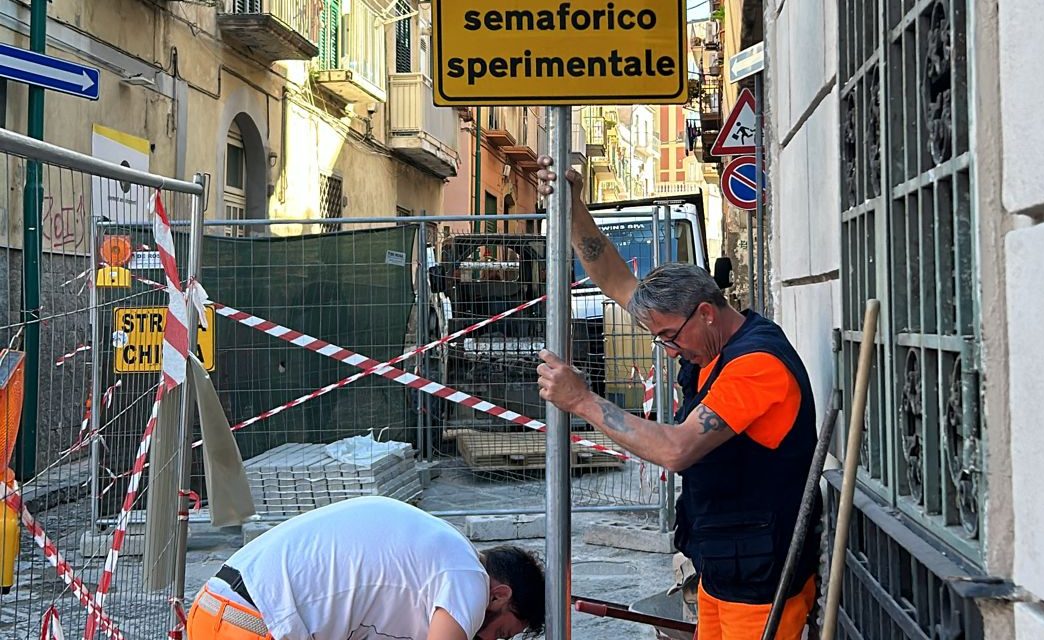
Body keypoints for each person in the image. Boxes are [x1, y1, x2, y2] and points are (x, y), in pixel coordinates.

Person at [535, 158, 821, 640]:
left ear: (706, 313)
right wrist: (574, 206)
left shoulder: (756, 365)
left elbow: (676, 449)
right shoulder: (707, 338)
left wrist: (582, 400)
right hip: (724, 566)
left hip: (763, 584)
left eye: (670, 337)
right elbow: (617, 279)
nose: (668, 350)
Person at [186, 496, 545, 640]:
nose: (486, 639)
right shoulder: (469, 577)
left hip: (214, 609)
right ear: (500, 595)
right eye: (499, 633)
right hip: (254, 625)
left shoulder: (434, 554)